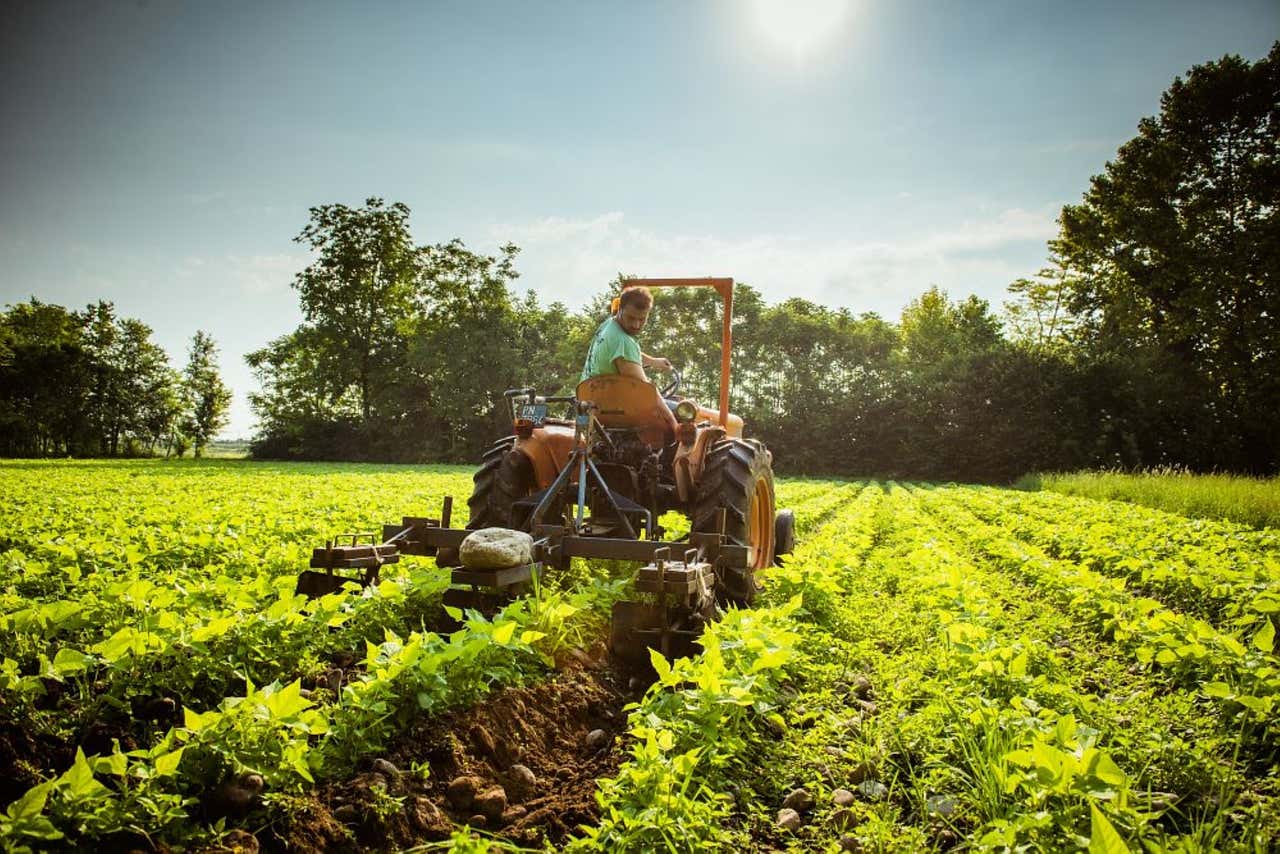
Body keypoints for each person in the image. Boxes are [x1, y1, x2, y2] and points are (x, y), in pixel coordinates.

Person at [579, 286, 673, 384]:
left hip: (587, 394)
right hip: (609, 398)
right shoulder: (623, 341)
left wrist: (653, 362)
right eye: (631, 318)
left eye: (642, 319)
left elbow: (625, 354)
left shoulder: (608, 325)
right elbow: (645, 392)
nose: (636, 325)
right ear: (620, 309)